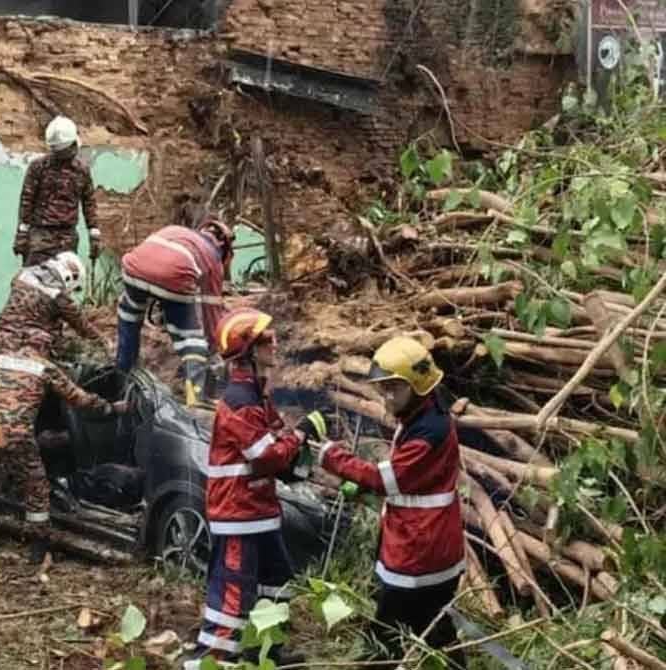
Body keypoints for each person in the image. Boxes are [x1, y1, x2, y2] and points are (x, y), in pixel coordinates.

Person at [183, 308, 325, 668]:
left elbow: (275, 438)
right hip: (238, 514)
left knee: (276, 581)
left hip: (259, 510)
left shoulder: (258, 395)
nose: (274, 344)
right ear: (247, 351)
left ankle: (265, 653)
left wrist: (298, 453)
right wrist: (301, 434)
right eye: (266, 340)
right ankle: (211, 660)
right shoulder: (239, 400)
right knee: (233, 591)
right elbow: (265, 457)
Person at [315, 336, 465, 667]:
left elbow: (388, 480)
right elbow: (414, 484)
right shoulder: (426, 416)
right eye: (384, 388)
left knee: (385, 635)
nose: (386, 397)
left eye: (393, 389)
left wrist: (334, 458)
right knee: (437, 630)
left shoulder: (427, 433)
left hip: (419, 551)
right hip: (434, 545)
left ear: (416, 386)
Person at [0, 341, 128, 565]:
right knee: (36, 489)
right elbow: (78, 398)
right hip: (17, 437)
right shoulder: (45, 367)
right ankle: (39, 550)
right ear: (45, 348)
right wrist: (111, 408)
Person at [116, 217, 234, 407]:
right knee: (190, 338)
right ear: (223, 246)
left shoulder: (175, 230)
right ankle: (195, 397)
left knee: (129, 320)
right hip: (174, 275)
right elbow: (210, 311)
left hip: (133, 269)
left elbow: (154, 263)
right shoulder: (212, 257)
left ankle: (122, 383)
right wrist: (212, 346)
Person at [0, 251, 109, 363]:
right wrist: (106, 343)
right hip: (21, 353)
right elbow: (84, 327)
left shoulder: (20, 277)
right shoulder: (59, 299)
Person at [15, 115, 101, 266]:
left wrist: (94, 233)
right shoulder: (38, 167)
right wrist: (22, 232)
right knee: (35, 283)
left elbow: (89, 202)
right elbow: (27, 200)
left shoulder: (81, 171)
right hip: (39, 237)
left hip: (67, 238)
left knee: (62, 285)